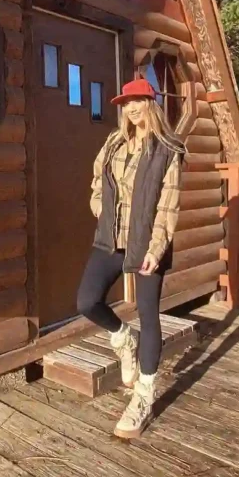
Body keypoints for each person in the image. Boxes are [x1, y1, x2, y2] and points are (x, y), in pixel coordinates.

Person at [76, 76, 185, 439]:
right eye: (126, 102)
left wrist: (156, 250)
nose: (131, 107)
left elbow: (168, 205)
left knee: (149, 316)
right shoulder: (114, 142)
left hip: (147, 243)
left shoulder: (168, 149)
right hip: (110, 238)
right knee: (87, 301)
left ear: (150, 103)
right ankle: (124, 338)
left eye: (138, 100)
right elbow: (97, 179)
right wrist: (98, 207)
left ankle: (143, 397)